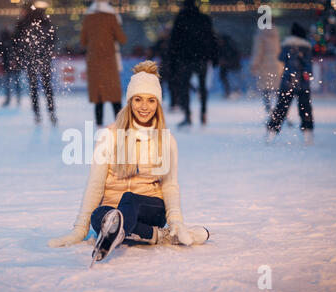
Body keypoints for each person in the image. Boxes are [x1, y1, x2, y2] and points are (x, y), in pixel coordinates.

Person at [48, 61, 209, 255]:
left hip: (150, 209)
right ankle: (156, 235)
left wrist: (176, 221)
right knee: (99, 215)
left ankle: (117, 233)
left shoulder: (166, 141)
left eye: (151, 100)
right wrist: (80, 229)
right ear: (130, 101)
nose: (144, 107)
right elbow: (95, 184)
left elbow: (170, 186)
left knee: (129, 199)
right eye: (138, 99)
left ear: (157, 104)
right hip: (113, 211)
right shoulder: (110, 135)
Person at [168, 0, 218, 127]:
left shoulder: (180, 19)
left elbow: (174, 41)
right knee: (202, 86)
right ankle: (203, 112)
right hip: (201, 57)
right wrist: (214, 57)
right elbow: (212, 38)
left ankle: (187, 115)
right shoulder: (204, 19)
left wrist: (172, 60)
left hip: (185, 58)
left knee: (184, 86)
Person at [81, 0, 127, 128]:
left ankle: (99, 124)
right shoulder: (111, 17)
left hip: (94, 61)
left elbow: (83, 40)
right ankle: (120, 123)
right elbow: (122, 39)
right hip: (109, 61)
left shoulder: (88, 18)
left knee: (98, 95)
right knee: (114, 94)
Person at [267, 23, 314, 145]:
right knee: (305, 109)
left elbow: (281, 58)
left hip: (287, 81)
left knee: (281, 108)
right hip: (303, 83)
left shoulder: (287, 45)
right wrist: (307, 73)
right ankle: (308, 133)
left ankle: (271, 132)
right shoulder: (307, 46)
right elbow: (308, 64)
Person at [13, 1, 57, 125]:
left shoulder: (23, 22)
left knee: (33, 88)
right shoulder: (44, 19)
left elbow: (16, 41)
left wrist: (19, 57)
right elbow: (53, 37)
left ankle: (37, 115)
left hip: (30, 59)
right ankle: (52, 113)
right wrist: (49, 51)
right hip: (44, 58)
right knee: (47, 87)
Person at [250, 26, 283, 113]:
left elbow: (258, 51)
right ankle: (280, 110)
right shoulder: (276, 34)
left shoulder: (260, 35)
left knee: (266, 89)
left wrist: (254, 64)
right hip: (277, 64)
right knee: (277, 89)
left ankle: (269, 111)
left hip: (265, 64)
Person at [0, 28, 21, 107]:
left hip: (7, 65)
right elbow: (19, 52)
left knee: (8, 83)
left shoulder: (2, 42)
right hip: (14, 66)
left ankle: (9, 99)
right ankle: (18, 99)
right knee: (15, 83)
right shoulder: (14, 41)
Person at [217, 34, 241, 99]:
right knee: (224, 78)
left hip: (232, 66)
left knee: (233, 80)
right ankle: (227, 92)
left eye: (220, 40)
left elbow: (236, 56)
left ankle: (235, 92)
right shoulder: (220, 47)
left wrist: (227, 62)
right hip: (225, 67)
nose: (219, 42)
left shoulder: (230, 47)